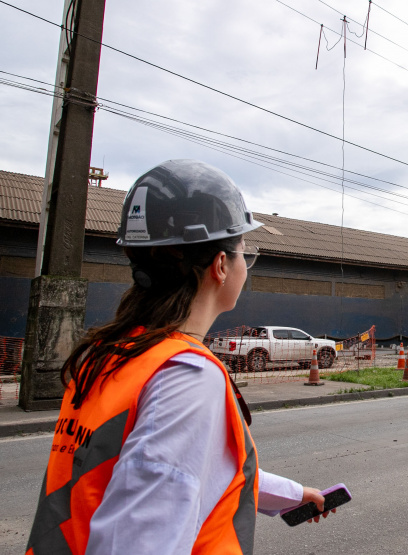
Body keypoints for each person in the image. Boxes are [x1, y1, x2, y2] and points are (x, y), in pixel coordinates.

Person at [26, 160, 333, 555]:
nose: (245, 263)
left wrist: (290, 494)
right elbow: (141, 536)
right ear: (221, 265)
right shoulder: (183, 374)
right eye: (243, 251)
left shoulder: (112, 354)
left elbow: (175, 471)